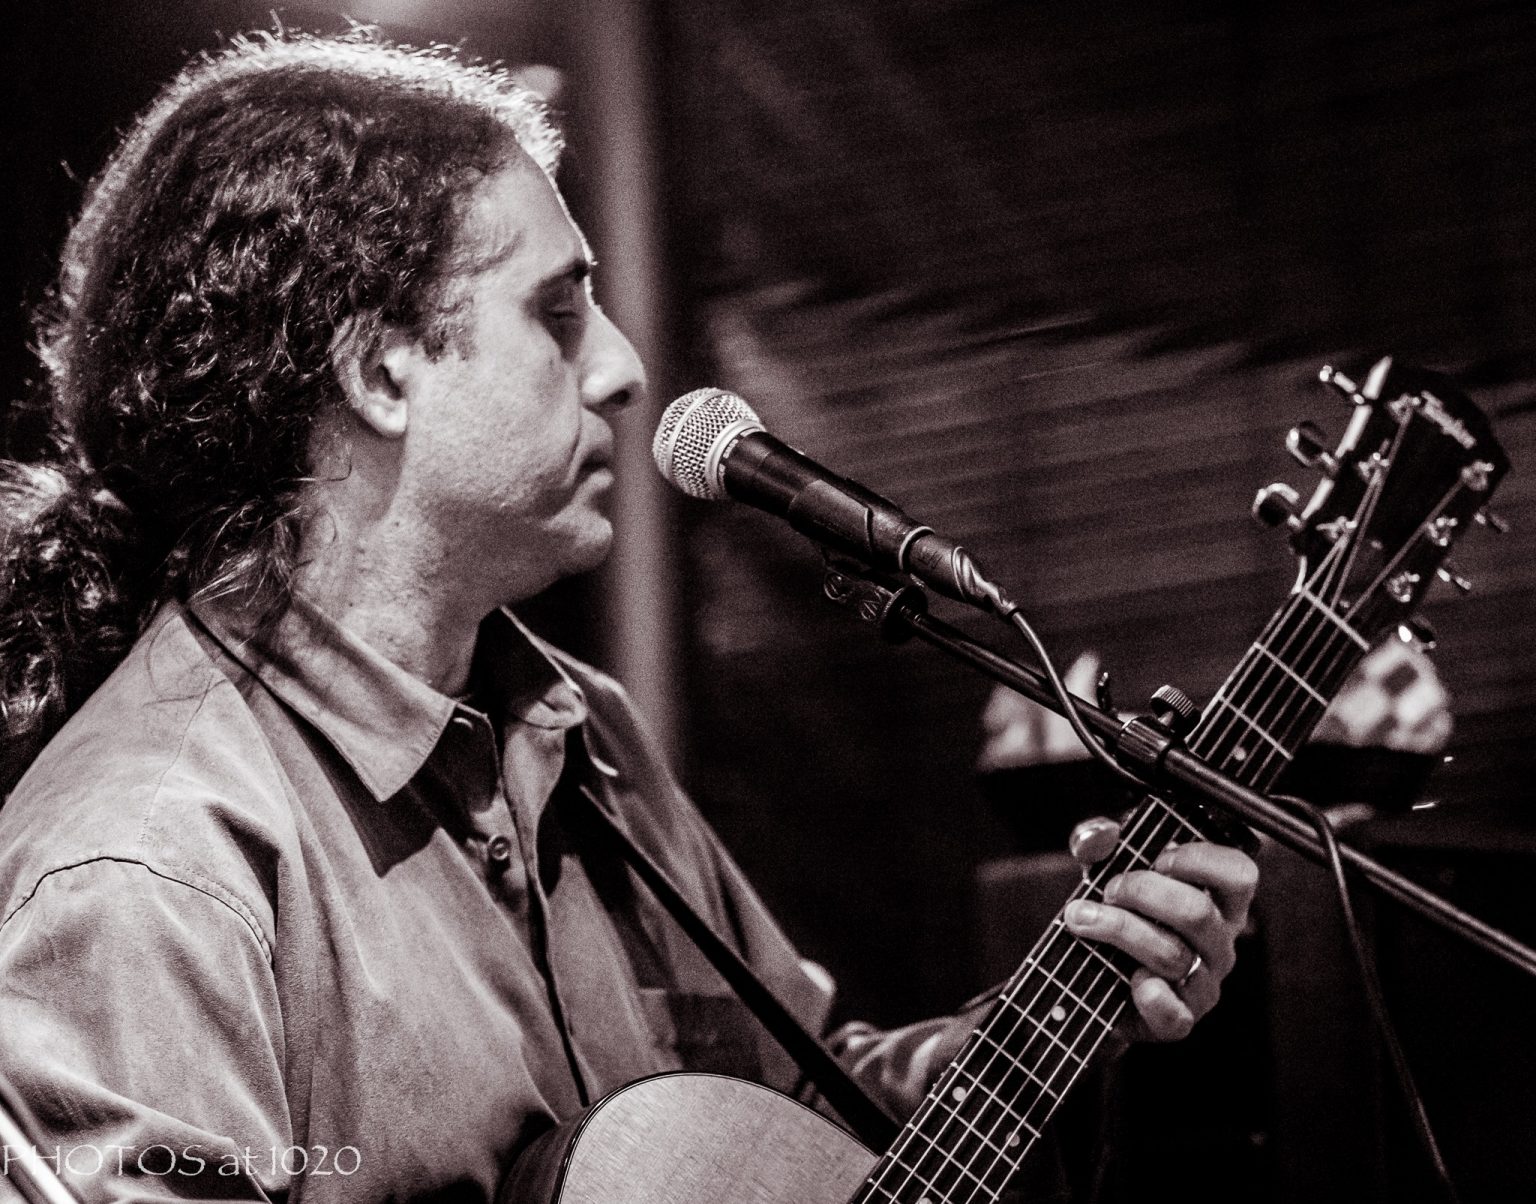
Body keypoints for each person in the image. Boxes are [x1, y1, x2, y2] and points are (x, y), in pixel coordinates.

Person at [0, 30, 1258, 1204]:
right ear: (378, 371)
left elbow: (805, 1119)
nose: (622, 368)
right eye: (557, 313)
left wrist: (1065, 1013)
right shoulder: (145, 871)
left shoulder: (578, 727)